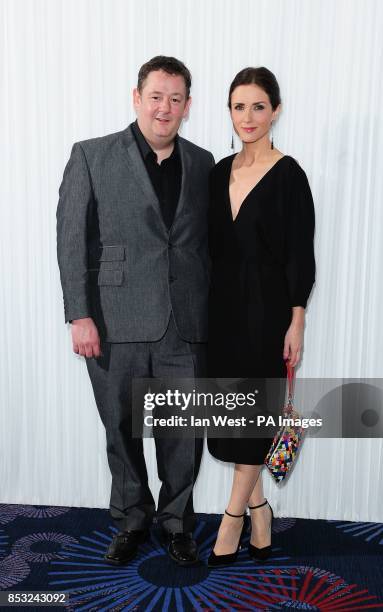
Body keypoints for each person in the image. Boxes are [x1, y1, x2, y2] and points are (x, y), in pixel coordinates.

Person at [57, 56, 214, 566]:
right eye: (156, 96)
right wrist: (79, 314)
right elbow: (71, 241)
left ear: (187, 106)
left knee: (182, 434)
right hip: (113, 321)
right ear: (136, 97)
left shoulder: (203, 161)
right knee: (120, 430)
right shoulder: (91, 155)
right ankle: (131, 518)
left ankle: (174, 523)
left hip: (183, 324)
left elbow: (207, 247)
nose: (164, 108)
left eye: (175, 99)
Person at [206, 67, 315, 566]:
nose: (246, 117)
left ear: (276, 110)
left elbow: (299, 254)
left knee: (252, 418)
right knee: (230, 418)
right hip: (221, 312)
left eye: (257, 106)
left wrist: (297, 319)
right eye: (237, 106)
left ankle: (232, 520)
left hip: (268, 313)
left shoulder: (289, 174)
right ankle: (261, 512)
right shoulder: (216, 172)